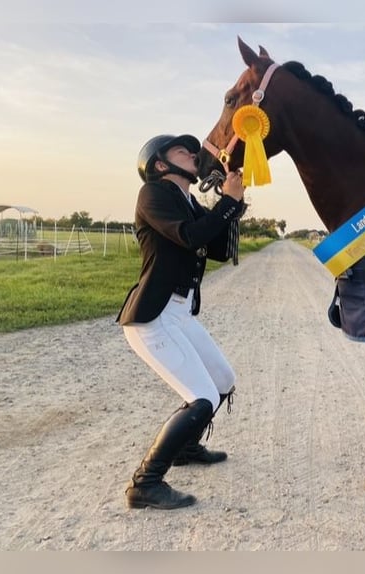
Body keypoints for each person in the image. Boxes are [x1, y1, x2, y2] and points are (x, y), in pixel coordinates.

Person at [116, 133, 246, 510]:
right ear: (160, 164)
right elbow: (190, 238)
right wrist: (226, 204)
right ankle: (145, 482)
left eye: (191, 150)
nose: (192, 154)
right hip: (153, 317)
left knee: (223, 380)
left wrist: (234, 205)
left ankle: (186, 447)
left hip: (180, 312)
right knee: (202, 397)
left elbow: (220, 249)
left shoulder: (188, 200)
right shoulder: (153, 195)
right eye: (181, 150)